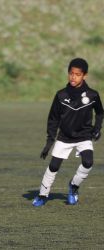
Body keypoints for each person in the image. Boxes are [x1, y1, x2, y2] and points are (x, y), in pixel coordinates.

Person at [33, 58, 104, 207]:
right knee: (53, 167)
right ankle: (42, 195)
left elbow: (99, 113)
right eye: (71, 73)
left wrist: (97, 128)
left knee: (88, 162)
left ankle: (73, 186)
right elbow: (53, 119)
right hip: (64, 137)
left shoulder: (92, 95)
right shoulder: (60, 95)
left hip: (84, 136)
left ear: (84, 75)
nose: (73, 77)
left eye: (77, 74)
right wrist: (49, 142)